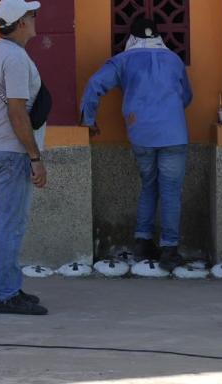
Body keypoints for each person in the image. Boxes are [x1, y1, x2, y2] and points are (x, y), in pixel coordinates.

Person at [78, 16, 193, 269]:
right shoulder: (174, 60)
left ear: (131, 37)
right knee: (171, 191)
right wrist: (169, 113)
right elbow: (187, 96)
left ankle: (142, 243)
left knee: (149, 186)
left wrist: (88, 119)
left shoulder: (122, 61)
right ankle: (169, 250)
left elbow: (95, 84)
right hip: (174, 134)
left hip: (140, 134)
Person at [0, 0, 50, 316]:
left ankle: (8, 285)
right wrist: (34, 157)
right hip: (14, 153)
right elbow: (17, 111)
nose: (35, 20)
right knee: (12, 224)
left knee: (5, 223)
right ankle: (6, 294)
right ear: (21, 22)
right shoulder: (17, 59)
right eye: (31, 15)